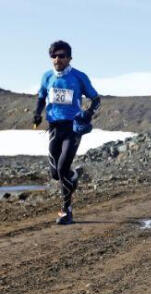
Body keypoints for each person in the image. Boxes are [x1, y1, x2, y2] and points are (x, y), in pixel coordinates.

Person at [33, 40, 100, 225]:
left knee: (62, 169)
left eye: (62, 56)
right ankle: (73, 176)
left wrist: (88, 114)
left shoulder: (79, 77)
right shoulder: (47, 77)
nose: (57, 59)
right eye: (54, 56)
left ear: (69, 58)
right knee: (56, 174)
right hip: (54, 127)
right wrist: (37, 114)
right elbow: (41, 97)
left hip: (73, 128)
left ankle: (66, 211)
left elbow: (96, 99)